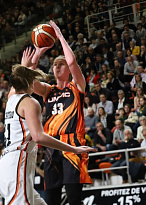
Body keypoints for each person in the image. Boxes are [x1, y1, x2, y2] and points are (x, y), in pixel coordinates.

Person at [0, 64, 95, 205]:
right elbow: (38, 136)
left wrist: (28, 62)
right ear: (29, 82)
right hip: (17, 164)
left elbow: (19, 75)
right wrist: (73, 149)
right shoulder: (31, 103)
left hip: (4, 167)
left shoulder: (11, 99)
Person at [19, 20, 95, 205]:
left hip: (73, 144)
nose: (57, 67)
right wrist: (37, 52)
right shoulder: (48, 90)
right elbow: (27, 80)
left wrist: (59, 36)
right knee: (52, 198)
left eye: (61, 64)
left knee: (74, 197)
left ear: (69, 70)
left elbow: (71, 60)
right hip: (52, 146)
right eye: (55, 65)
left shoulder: (77, 86)